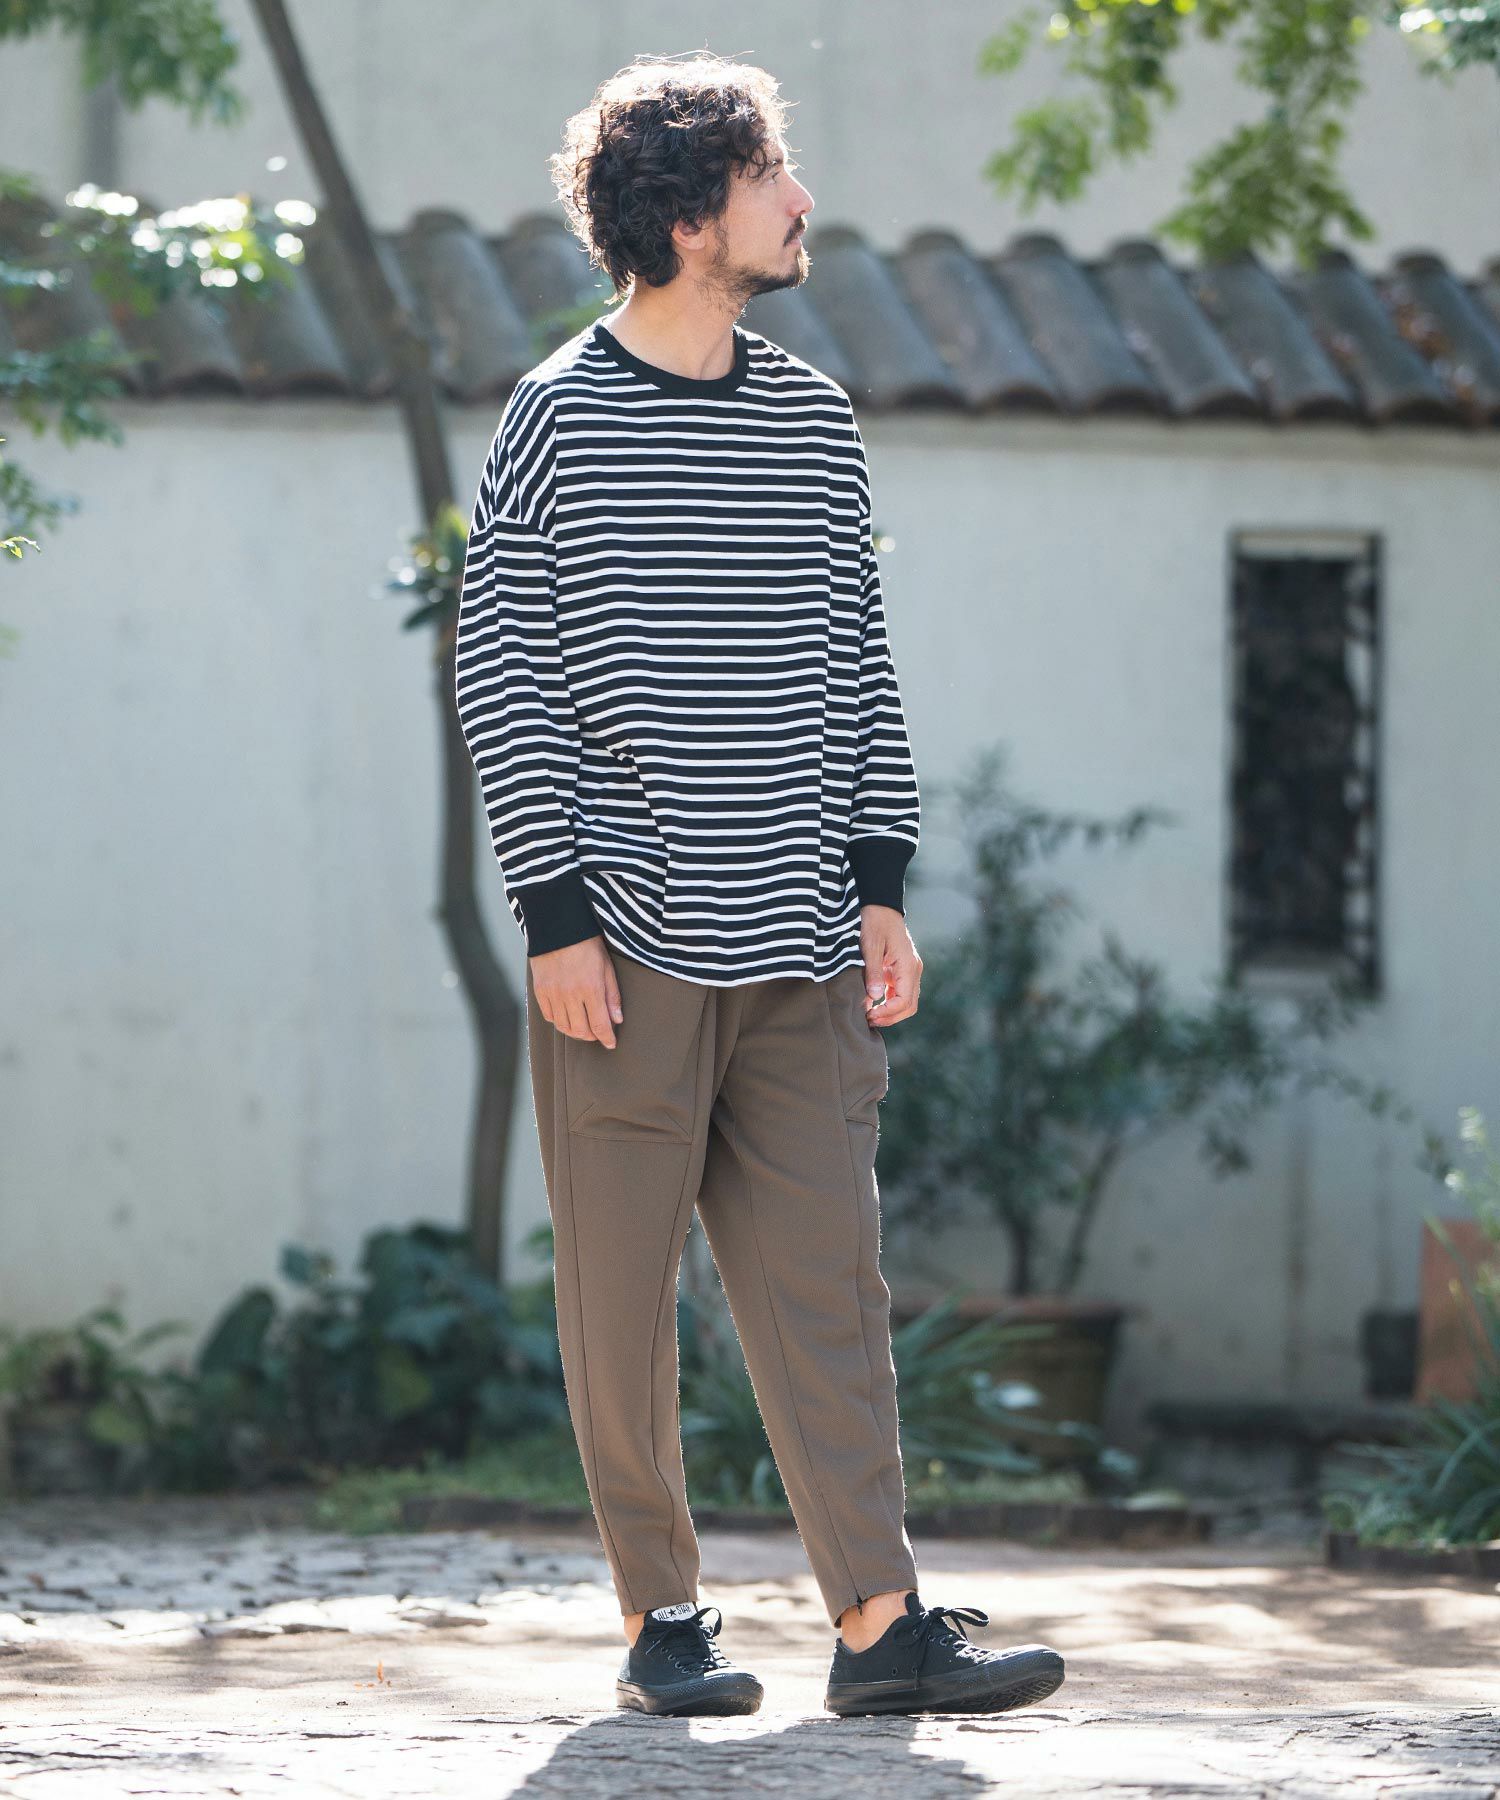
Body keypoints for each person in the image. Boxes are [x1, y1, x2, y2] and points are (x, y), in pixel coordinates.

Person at [454, 51, 1066, 1721]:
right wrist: (554, 913)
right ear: (684, 217)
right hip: (626, 943)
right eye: (770, 174)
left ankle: (878, 1626)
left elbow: (858, 659)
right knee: (620, 1301)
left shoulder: (814, 421)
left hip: (801, 937)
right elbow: (505, 670)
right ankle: (663, 1617)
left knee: (827, 1291)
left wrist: (880, 878)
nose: (802, 199)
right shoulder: (556, 418)